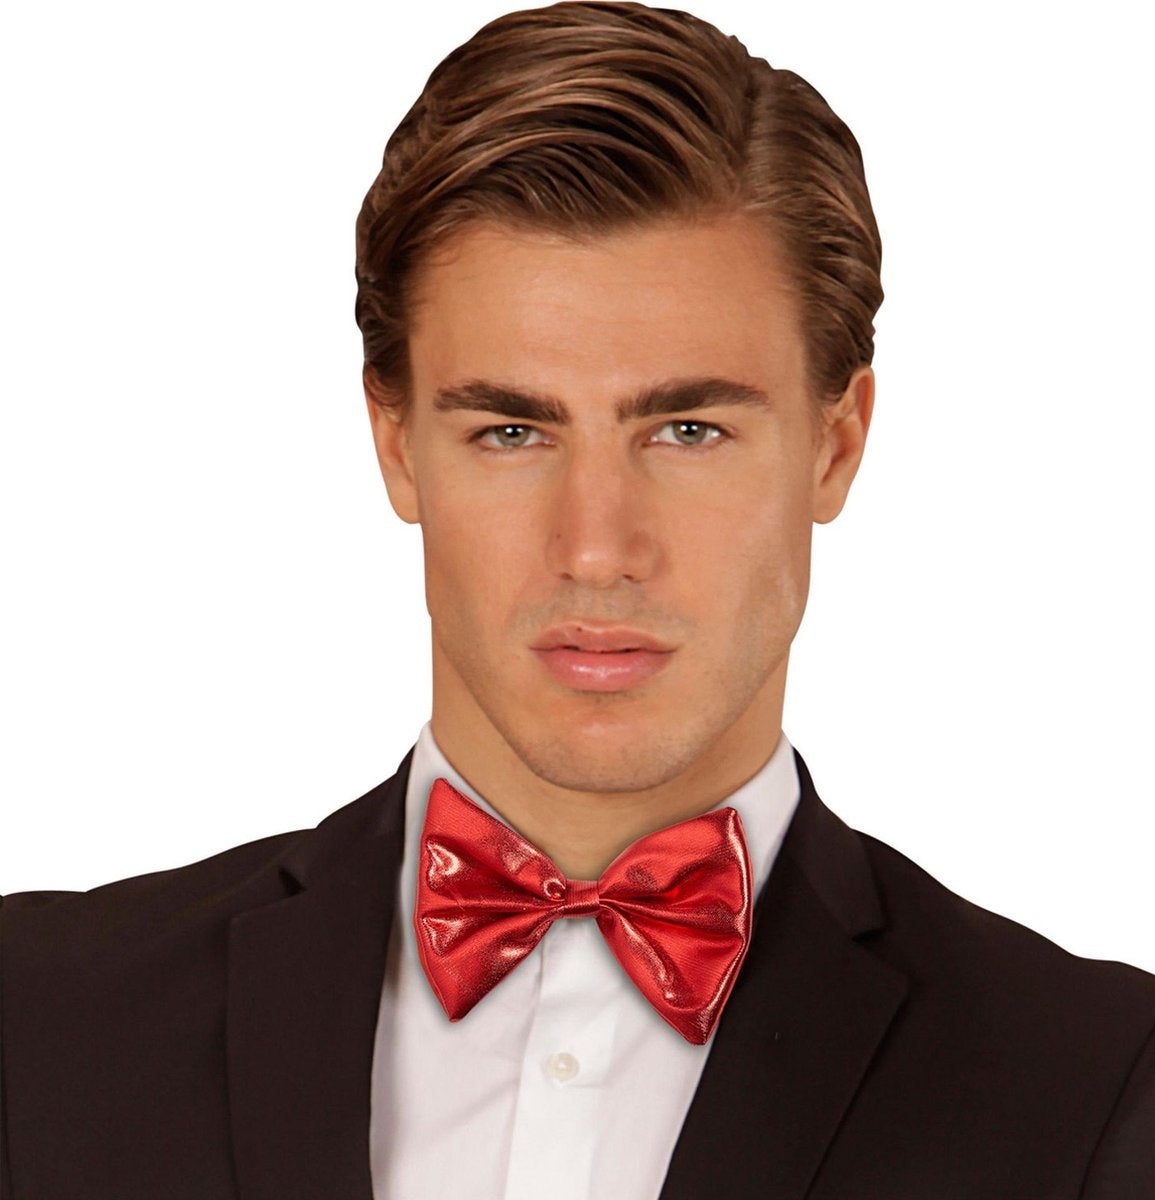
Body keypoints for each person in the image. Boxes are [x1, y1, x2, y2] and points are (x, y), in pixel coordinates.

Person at [1, 3, 1152, 1197]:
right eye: (512, 431)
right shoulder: (37, 1029)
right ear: (395, 443)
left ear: (836, 443)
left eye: (688, 429)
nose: (597, 550)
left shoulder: (1098, 1089)